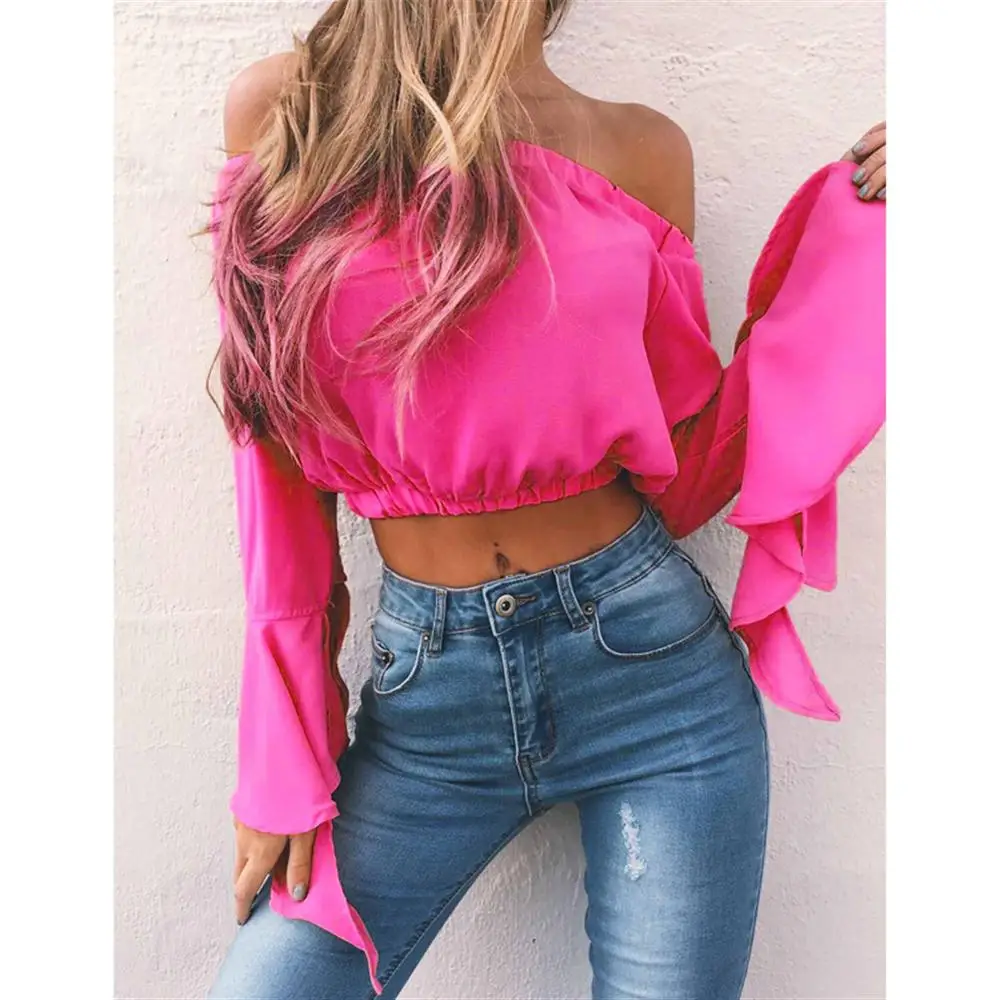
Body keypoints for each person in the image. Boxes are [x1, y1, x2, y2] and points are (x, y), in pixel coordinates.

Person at [204, 2, 886, 998]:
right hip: (429, 706)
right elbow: (266, 447)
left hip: (655, 680)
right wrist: (283, 744)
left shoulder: (640, 150)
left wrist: (864, 249)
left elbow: (682, 476)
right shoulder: (292, 111)